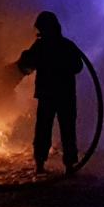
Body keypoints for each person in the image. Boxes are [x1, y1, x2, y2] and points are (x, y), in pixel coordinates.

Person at [17, 11, 84, 174]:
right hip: (64, 95)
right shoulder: (66, 45)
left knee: (45, 129)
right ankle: (67, 165)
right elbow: (78, 66)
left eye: (41, 28)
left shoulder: (42, 46)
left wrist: (28, 56)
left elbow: (28, 64)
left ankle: (42, 163)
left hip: (50, 94)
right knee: (64, 130)